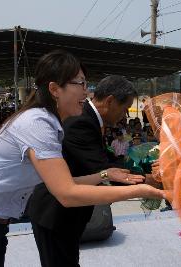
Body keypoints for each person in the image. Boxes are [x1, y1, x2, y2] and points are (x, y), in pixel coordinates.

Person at [0, 50, 164, 267]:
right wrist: (138, 190)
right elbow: (66, 193)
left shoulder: (50, 123)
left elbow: (60, 182)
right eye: (81, 84)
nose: (87, 93)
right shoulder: (38, 124)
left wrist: (105, 174)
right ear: (55, 89)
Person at [28, 74, 139, 267]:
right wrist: (149, 181)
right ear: (110, 101)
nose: (125, 115)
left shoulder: (89, 119)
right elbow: (103, 170)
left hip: (65, 214)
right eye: (125, 108)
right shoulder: (81, 121)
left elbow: (102, 161)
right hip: (54, 214)